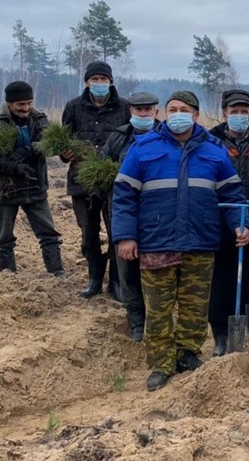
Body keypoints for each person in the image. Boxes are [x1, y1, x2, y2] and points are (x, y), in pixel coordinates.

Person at [111, 90, 249, 392]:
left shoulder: (215, 151)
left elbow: (233, 195)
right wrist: (125, 236)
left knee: (194, 306)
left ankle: (187, 354)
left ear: (197, 115)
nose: (177, 114)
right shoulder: (144, 148)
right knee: (158, 308)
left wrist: (242, 225)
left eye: (184, 109)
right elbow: (123, 196)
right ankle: (161, 364)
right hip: (156, 241)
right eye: (172, 109)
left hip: (200, 241)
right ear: (165, 112)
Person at [207, 89, 249, 356]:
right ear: (225, 113)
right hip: (222, 217)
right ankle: (221, 335)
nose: (239, 116)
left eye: (244, 112)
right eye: (233, 112)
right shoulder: (212, 140)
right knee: (221, 278)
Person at [0, 81, 65, 279]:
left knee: (48, 232)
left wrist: (29, 150)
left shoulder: (40, 118)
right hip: (6, 189)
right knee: (4, 236)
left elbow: (51, 144)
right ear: (9, 104)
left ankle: (57, 272)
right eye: (20, 105)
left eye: (29, 103)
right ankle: (8, 276)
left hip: (35, 186)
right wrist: (12, 167)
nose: (25, 108)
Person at [61, 60, 130, 301]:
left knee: (116, 231)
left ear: (111, 82)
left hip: (113, 182)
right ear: (87, 82)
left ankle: (116, 281)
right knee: (88, 232)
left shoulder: (124, 108)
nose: (99, 84)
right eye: (94, 79)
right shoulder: (73, 107)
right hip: (82, 181)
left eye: (103, 79)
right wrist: (65, 153)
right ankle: (93, 279)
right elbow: (63, 140)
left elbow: (131, 140)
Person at [99, 91, 160, 342]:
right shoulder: (119, 136)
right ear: (131, 112)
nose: (143, 114)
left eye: (148, 110)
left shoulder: (167, 136)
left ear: (156, 111)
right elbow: (101, 169)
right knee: (128, 270)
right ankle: (136, 320)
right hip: (124, 212)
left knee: (158, 269)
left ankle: (158, 320)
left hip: (157, 216)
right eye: (138, 110)